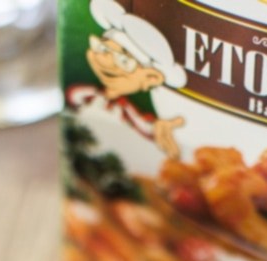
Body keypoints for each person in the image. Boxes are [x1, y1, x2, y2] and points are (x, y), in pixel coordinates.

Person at [66, 0, 189, 174]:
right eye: (102, 48)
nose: (104, 60)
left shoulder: (126, 110)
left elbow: (146, 127)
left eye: (124, 61)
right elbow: (72, 98)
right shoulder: (88, 93)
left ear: (151, 78)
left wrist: (160, 128)